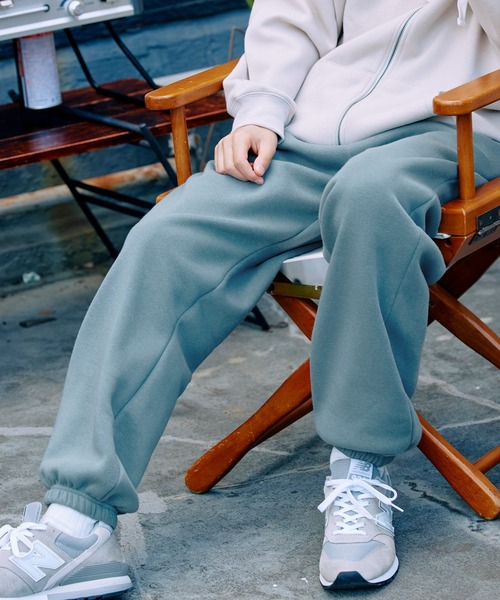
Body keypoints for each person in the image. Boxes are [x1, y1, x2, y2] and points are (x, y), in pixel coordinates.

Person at [1, 0, 499, 597]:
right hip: (317, 130)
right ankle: (76, 523)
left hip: (457, 127)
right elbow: (292, 16)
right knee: (169, 236)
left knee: (369, 201)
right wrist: (262, 110)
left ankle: (360, 470)